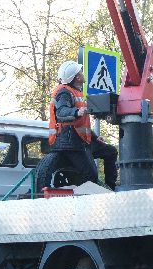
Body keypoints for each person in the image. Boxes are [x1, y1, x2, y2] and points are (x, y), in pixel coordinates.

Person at [40, 59, 118, 190]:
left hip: (81, 141)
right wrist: (77, 112)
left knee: (110, 152)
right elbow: (61, 112)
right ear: (76, 77)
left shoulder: (77, 93)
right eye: (80, 72)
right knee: (90, 175)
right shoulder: (64, 92)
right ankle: (85, 196)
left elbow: (82, 124)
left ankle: (110, 188)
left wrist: (94, 137)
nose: (83, 73)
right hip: (69, 143)